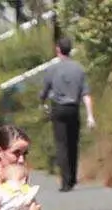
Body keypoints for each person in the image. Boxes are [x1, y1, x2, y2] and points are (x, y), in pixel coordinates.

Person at [40, 37, 96, 192]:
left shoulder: (52, 69)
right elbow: (86, 93)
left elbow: (44, 91)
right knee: (73, 143)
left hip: (58, 108)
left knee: (61, 144)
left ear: (58, 49)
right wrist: (90, 115)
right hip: (73, 108)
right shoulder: (79, 69)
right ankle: (72, 177)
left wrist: (43, 103)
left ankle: (65, 181)